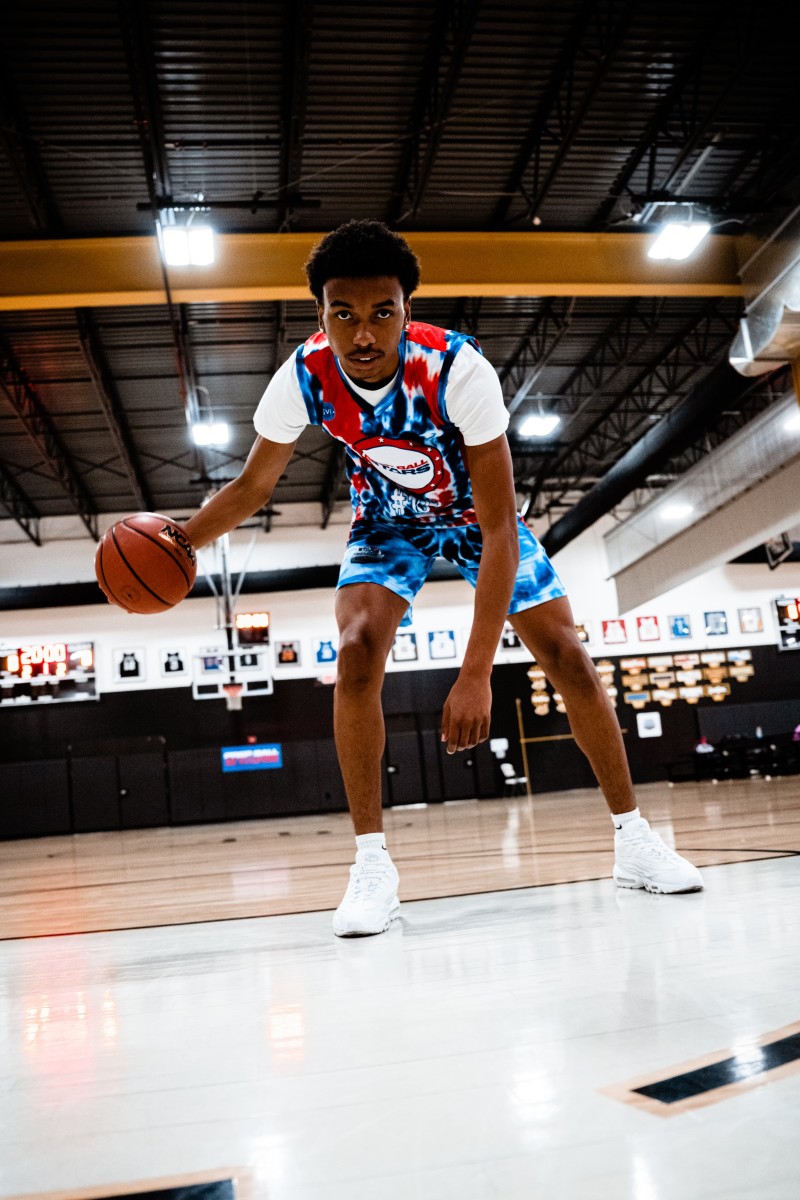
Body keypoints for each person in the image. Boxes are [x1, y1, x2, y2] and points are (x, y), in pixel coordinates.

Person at [182, 219, 703, 936]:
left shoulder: (458, 370)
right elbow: (249, 489)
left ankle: (634, 840)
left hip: (472, 518)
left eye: (381, 313)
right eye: (344, 315)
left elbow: (495, 531)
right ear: (320, 313)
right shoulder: (302, 376)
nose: (363, 335)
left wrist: (476, 672)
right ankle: (372, 867)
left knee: (570, 658)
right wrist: (180, 542)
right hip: (387, 520)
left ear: (406, 308)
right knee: (357, 652)